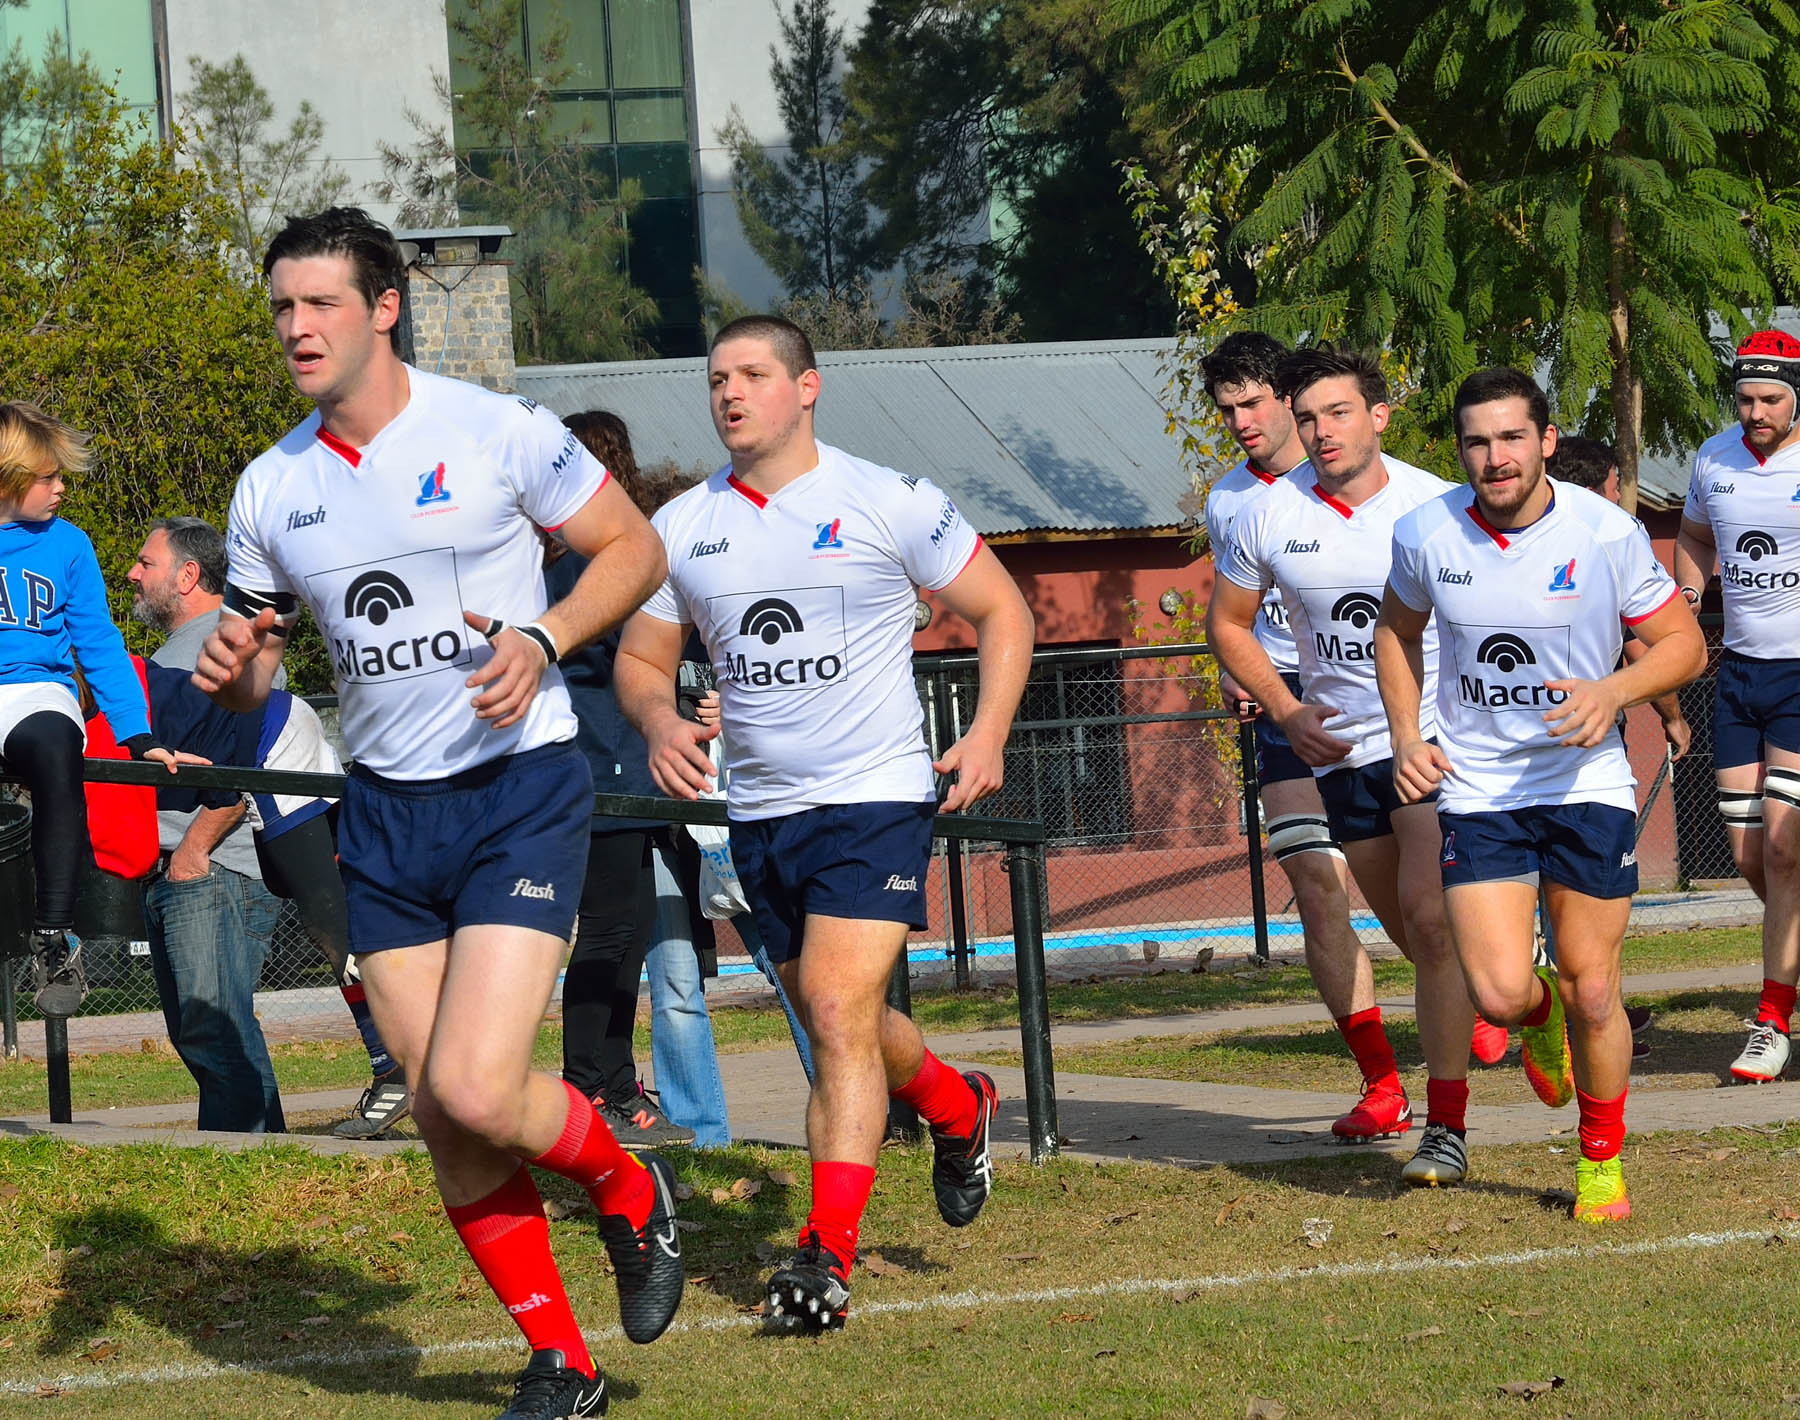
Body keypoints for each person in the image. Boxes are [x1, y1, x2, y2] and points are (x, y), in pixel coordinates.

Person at [192, 207, 677, 1419]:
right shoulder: (271, 485)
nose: (298, 327)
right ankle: (564, 1362)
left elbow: (635, 549)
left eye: (321, 303)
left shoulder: (495, 429)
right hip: (386, 812)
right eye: (282, 307)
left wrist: (543, 636)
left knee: (475, 1085)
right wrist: (233, 669)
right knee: (442, 1114)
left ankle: (627, 1188)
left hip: (518, 790)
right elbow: (256, 670)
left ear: (385, 308)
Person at [616, 314, 1034, 1332]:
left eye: (753, 373)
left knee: (840, 1010)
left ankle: (824, 1260)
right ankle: (957, 1105)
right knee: (833, 1014)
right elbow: (638, 657)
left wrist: (987, 733)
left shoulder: (888, 499)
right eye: (718, 377)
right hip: (761, 812)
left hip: (875, 796)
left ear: (807, 387)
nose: (730, 392)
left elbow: (1004, 610)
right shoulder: (683, 525)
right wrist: (661, 720)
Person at [1376, 366, 1705, 1219]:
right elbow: (1395, 633)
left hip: (1586, 782)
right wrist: (1408, 736)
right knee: (1495, 994)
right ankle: (1539, 1014)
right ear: (1460, 451)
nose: (1497, 458)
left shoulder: (1604, 532)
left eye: (1513, 438)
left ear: (1547, 441)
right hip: (1480, 788)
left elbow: (1684, 644)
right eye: (1478, 442)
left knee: (1595, 987)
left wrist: (1613, 692)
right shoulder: (1425, 533)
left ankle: (1601, 1161)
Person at [1206, 346, 1474, 1186]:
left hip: (1426, 738)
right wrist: (1282, 708)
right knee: (1382, 916)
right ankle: (1417, 1059)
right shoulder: (1252, 510)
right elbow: (1229, 623)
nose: (1319, 431)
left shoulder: (1436, 505)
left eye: (1337, 413)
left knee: (1431, 922)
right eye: (1309, 417)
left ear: (1378, 416)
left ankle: (1447, 1125)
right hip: (1323, 735)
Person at [130, 515, 404, 1137]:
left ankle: (391, 1062)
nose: (133, 574)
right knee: (201, 1028)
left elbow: (248, 749)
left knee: (226, 1015)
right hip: (187, 861)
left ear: (188, 575)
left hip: (221, 859)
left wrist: (194, 848)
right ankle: (268, 1141)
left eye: (147, 562)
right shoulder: (166, 657)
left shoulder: (225, 643)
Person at [0, 402, 184, 1016]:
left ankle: (54, 936)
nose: (60, 488)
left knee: (58, 751)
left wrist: (136, 732)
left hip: (36, 691)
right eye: (48, 477)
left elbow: (99, 644)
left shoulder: (68, 544)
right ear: (8, 478)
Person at [549, 410, 699, 1149]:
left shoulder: (586, 558)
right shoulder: (589, 565)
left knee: (629, 934)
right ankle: (585, 1084)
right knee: (608, 933)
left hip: (626, 770)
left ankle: (615, 1083)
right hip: (598, 766)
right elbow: (635, 654)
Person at [1674, 330, 1800, 1084]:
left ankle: (1772, 1020)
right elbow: (1693, 537)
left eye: (1771, 399)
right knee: (1753, 857)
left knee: (1784, 848)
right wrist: (1688, 599)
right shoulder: (1713, 457)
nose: (1755, 413)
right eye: (1746, 398)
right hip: (1740, 674)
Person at [1546, 435, 1688, 1057]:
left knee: (1580, 910)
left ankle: (1597, 1014)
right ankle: (1571, 1015)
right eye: (1612, 488)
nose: (1617, 501)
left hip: (1569, 753)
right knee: (1583, 904)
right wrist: (1673, 716)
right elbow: (1640, 644)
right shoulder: (1600, 541)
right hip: (1569, 751)